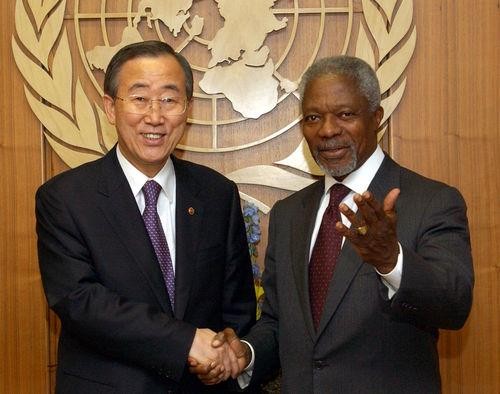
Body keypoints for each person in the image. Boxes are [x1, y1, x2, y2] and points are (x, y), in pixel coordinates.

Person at [192, 55, 474, 393]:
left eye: (345, 114)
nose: (327, 130)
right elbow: (279, 323)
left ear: (376, 118)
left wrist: (390, 260)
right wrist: (247, 353)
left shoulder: (432, 202)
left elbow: (454, 307)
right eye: (313, 117)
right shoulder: (289, 214)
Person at [35, 40, 256, 393]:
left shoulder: (216, 194)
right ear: (110, 107)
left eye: (169, 99)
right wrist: (185, 341)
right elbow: (80, 302)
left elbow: (237, 307)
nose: (155, 116)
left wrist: (226, 349)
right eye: (139, 99)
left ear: (187, 109)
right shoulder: (65, 198)